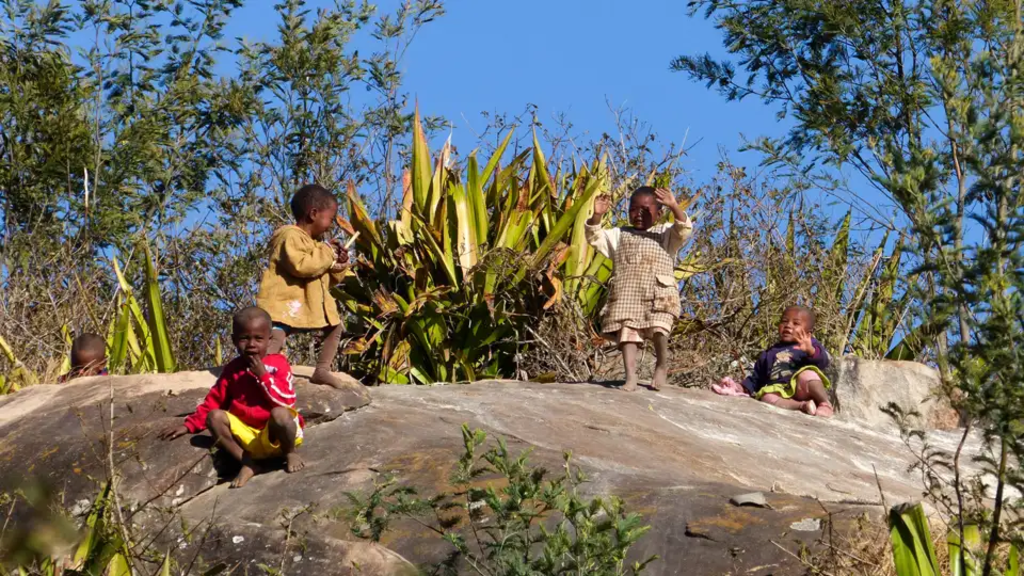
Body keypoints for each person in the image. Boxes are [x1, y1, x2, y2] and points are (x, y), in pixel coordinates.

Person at [159, 306, 304, 488]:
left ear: (269, 340)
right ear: (234, 340)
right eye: (244, 338)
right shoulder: (232, 369)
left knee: (281, 414)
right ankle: (248, 463)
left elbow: (287, 401)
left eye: (258, 338)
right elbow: (214, 401)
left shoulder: (278, 363)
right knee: (215, 417)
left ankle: (290, 452)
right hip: (248, 439)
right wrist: (189, 425)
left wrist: (263, 376)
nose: (251, 344)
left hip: (276, 436)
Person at [586, 186, 694, 391]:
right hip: (628, 294)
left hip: (659, 294)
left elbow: (684, 229)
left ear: (658, 214)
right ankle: (630, 376)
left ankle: (661, 365)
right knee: (628, 334)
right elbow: (594, 236)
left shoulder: (666, 234)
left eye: (645, 210)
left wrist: (674, 206)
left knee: (660, 328)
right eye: (634, 209)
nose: (639, 214)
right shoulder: (619, 235)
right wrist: (597, 215)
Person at [256, 183, 350, 388]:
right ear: (314, 214)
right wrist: (327, 252)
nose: (331, 225)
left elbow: (324, 278)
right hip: (284, 304)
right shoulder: (289, 236)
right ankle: (257, 371)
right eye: (330, 218)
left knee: (334, 327)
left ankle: (322, 370)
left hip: (306, 305)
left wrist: (339, 263)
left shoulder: (316, 245)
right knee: (276, 336)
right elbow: (303, 266)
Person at [714, 305, 834, 417]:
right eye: (784, 321)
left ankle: (824, 404)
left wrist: (810, 350)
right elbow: (755, 381)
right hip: (780, 391)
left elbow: (823, 362)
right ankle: (803, 406)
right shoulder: (769, 353)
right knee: (766, 396)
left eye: (796, 323)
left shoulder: (810, 345)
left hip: (800, 388)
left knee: (808, 374)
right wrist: (737, 386)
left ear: (808, 333)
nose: (788, 325)